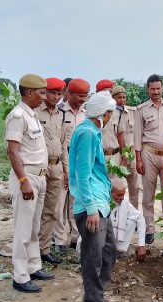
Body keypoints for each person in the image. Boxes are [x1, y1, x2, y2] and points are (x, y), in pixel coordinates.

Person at [69, 90, 118, 302]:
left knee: (108, 250)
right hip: (92, 205)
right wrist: (90, 209)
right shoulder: (87, 133)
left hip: (100, 203)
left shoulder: (92, 132)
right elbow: (83, 173)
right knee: (93, 255)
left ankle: (98, 294)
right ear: (104, 113)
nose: (111, 117)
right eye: (110, 113)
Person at [4, 74, 55, 293]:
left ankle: (34, 266)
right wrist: (23, 181)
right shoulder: (18, 116)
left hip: (39, 177)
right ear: (30, 92)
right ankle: (20, 276)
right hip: (27, 178)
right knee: (23, 230)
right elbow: (13, 152)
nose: (45, 97)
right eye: (42, 92)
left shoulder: (32, 115)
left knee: (34, 227)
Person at [134, 74, 163, 244]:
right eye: (152, 89)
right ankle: (149, 229)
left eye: (158, 88)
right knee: (148, 194)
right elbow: (137, 136)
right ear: (148, 89)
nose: (155, 91)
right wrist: (138, 159)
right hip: (149, 155)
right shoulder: (141, 109)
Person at [35, 77, 68, 265]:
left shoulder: (60, 114)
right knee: (34, 210)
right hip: (38, 165)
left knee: (51, 211)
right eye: (52, 92)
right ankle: (32, 249)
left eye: (59, 93)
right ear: (44, 92)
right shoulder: (34, 113)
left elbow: (62, 144)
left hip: (56, 166)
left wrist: (65, 169)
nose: (56, 97)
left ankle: (44, 249)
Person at [55, 78, 89, 254]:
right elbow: (59, 142)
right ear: (70, 93)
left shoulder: (86, 113)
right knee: (60, 201)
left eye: (86, 96)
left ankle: (76, 237)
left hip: (81, 161)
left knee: (76, 201)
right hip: (63, 159)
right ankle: (59, 240)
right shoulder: (60, 112)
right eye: (80, 96)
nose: (83, 100)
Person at [109, 86, 140, 208]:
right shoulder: (111, 114)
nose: (122, 100)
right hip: (118, 156)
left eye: (124, 97)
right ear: (113, 98)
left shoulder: (133, 112)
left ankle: (133, 213)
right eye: (119, 97)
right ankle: (118, 214)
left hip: (132, 155)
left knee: (135, 187)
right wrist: (123, 157)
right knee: (118, 186)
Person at [109, 178, 146, 260]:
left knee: (132, 220)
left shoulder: (124, 201)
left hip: (114, 238)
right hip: (101, 241)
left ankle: (119, 250)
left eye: (123, 194)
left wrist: (141, 245)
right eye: (119, 195)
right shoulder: (102, 202)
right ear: (109, 193)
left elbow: (140, 218)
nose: (122, 198)